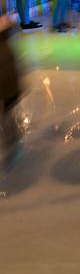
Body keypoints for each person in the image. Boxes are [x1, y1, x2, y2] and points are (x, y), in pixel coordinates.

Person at [0, 15, 24, 168]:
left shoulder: (3, 51)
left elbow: (7, 75)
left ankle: (12, 140)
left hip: (7, 92)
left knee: (6, 119)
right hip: (9, 91)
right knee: (6, 118)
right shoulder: (6, 46)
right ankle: (12, 138)